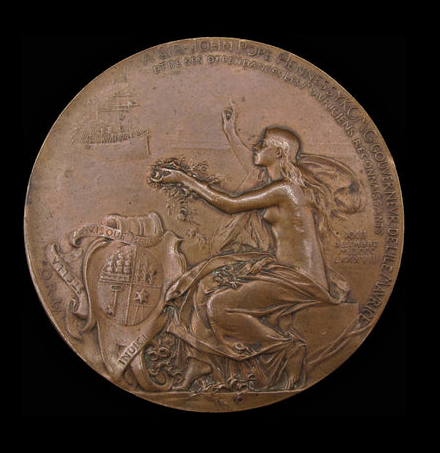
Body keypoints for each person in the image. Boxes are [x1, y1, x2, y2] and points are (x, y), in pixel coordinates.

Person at [153, 103, 362, 391]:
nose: (256, 147)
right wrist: (230, 133)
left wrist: (184, 179)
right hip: (281, 270)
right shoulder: (280, 184)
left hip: (300, 279)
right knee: (205, 283)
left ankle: (287, 348)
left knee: (219, 305)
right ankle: (202, 361)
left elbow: (231, 204)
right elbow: (251, 165)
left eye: (262, 144)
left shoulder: (285, 190)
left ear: (278, 153)